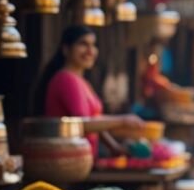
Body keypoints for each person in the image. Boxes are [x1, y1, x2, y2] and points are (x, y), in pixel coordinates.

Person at [34, 25, 143, 156]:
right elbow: (82, 124)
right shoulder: (66, 79)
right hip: (67, 160)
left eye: (93, 45)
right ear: (66, 49)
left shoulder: (82, 81)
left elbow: (95, 120)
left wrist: (114, 147)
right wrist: (123, 120)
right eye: (83, 44)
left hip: (85, 158)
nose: (90, 51)